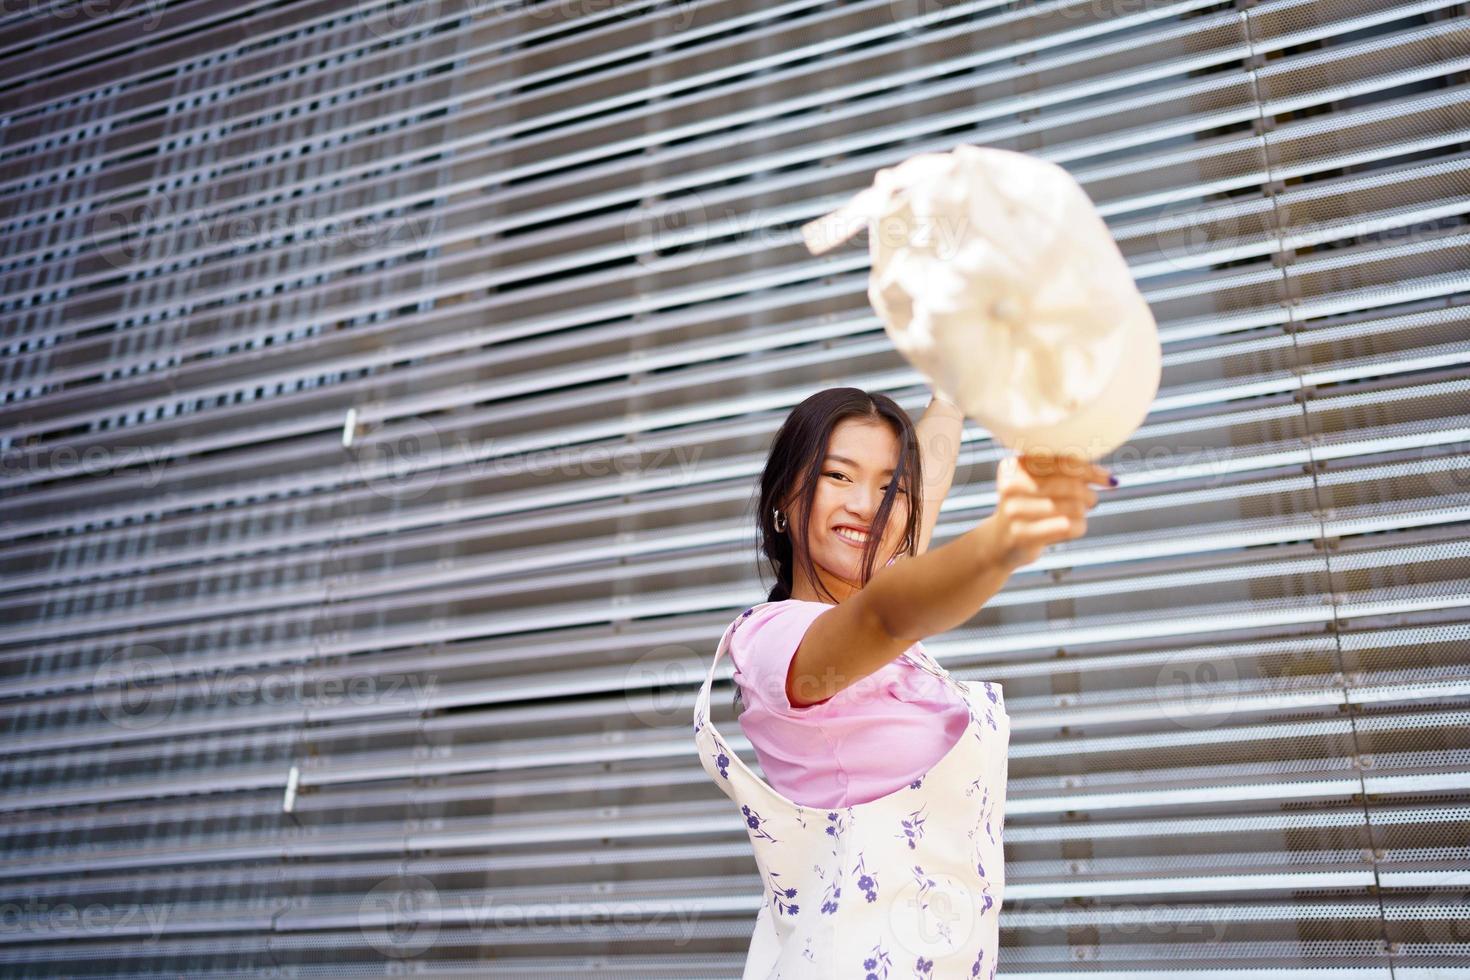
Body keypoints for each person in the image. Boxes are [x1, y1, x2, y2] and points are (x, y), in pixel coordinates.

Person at [691, 385, 1113, 978]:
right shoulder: (775, 640)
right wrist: (1005, 541)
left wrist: (954, 390)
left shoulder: (891, 637)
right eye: (838, 476)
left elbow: (922, 491)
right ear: (784, 497)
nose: (868, 505)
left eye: (889, 488)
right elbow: (885, 614)